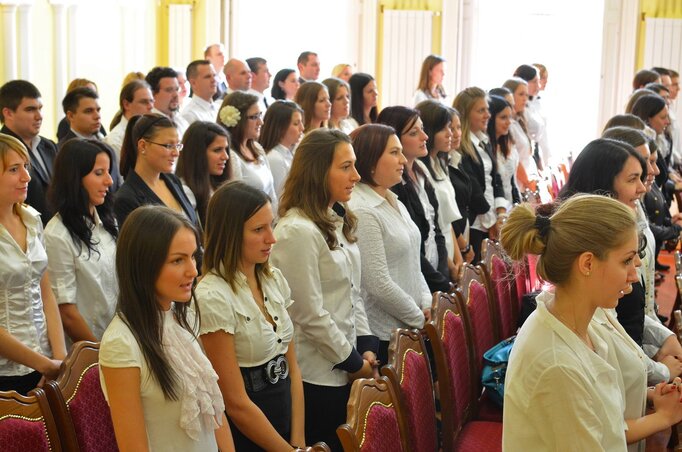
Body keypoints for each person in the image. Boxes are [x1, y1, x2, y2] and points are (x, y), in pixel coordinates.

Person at [501, 194, 682, 450]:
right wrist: (663, 418)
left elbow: (598, 406)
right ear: (587, 263)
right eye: (627, 260)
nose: (636, 270)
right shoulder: (557, 365)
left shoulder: (588, 315)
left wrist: (650, 394)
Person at [271, 129, 377, 451]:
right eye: (345, 167)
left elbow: (352, 291)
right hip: (317, 374)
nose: (356, 176)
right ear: (318, 171)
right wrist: (352, 361)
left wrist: (366, 343)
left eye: (354, 165)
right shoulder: (296, 231)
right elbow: (308, 313)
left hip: (347, 359)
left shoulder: (335, 217)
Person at [99, 206, 231, 452]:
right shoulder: (121, 343)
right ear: (143, 265)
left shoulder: (182, 317)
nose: (193, 271)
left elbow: (214, 418)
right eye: (178, 260)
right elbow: (133, 447)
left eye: (193, 256)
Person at [560, 138, 682, 385]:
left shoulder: (615, 229)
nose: (643, 188)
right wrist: (660, 370)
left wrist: (662, 338)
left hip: (631, 363)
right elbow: (608, 337)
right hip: (620, 374)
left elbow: (628, 315)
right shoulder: (589, 243)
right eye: (632, 179)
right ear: (604, 184)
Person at [197, 181, 305, 450]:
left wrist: (299, 440)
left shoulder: (272, 278)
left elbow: (293, 368)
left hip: (286, 422)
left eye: (272, 224)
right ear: (230, 234)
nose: (272, 238)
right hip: (249, 434)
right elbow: (235, 402)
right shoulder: (213, 295)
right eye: (259, 229)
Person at [348, 124, 431, 363]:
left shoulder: (393, 199)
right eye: (394, 153)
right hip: (386, 333)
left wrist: (426, 302)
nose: (403, 160)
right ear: (371, 160)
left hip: (411, 324)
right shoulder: (363, 209)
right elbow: (377, 283)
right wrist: (419, 317)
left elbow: (414, 262)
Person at [0, 133, 65, 394]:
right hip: (7, 370)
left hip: (47, 361)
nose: (26, 177)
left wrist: (60, 358)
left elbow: (45, 291)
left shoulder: (31, 219)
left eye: (26, 167)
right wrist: (44, 364)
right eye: (14, 169)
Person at [45, 139, 117, 344]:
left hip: (117, 339)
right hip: (88, 349)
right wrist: (99, 352)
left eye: (108, 171)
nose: (109, 181)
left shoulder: (108, 223)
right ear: (75, 178)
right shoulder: (57, 235)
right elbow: (66, 312)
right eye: (99, 173)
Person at [377, 106, 451, 293]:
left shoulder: (421, 170)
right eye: (414, 133)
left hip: (436, 273)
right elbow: (411, 247)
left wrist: (443, 274)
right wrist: (439, 283)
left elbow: (436, 228)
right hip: (417, 281)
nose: (425, 137)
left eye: (423, 129)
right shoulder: (392, 186)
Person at [115, 114, 199, 230]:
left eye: (177, 146)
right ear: (143, 146)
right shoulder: (127, 198)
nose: (176, 153)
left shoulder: (173, 181)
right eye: (169, 146)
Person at [452, 87, 506, 262]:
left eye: (487, 109)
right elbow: (474, 189)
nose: (487, 115)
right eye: (481, 110)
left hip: (490, 218)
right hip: (476, 222)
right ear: (466, 114)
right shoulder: (462, 146)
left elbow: (495, 178)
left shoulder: (484, 140)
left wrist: (500, 214)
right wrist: (492, 222)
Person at [416, 100, 464, 276]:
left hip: (449, 249)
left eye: (450, 128)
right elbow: (434, 220)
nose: (450, 134)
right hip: (438, 254)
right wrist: (449, 264)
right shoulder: (421, 168)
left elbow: (448, 220)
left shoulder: (439, 163)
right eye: (444, 129)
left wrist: (459, 258)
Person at [0, 80, 58, 224]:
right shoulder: (3, 150)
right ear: (8, 113)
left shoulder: (49, 146)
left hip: (55, 235)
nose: (39, 116)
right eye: (30, 109)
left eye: (40, 108)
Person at [217, 92, 278, 212]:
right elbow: (237, 202)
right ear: (237, 121)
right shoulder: (231, 156)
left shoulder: (257, 148)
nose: (261, 122)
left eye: (260, 115)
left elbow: (272, 194)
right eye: (254, 117)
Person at [175, 121, 231, 226]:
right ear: (197, 153)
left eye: (226, 149)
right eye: (217, 150)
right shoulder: (185, 191)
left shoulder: (216, 183)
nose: (226, 156)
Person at [447, 107, 476, 265]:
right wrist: (463, 246)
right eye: (451, 128)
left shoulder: (457, 159)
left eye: (459, 127)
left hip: (464, 232)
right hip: (453, 242)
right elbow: (447, 214)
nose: (457, 133)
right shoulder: (442, 165)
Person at [260, 100, 304, 198]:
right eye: (296, 124)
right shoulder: (275, 158)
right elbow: (281, 198)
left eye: (301, 122)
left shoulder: (289, 152)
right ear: (280, 127)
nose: (302, 128)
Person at [486, 95, 520, 210]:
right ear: (490, 118)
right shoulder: (485, 148)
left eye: (510, 117)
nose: (508, 122)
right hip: (493, 212)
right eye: (503, 117)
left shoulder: (505, 145)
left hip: (509, 208)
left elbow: (512, 181)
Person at [105, 80, 154, 159]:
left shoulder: (153, 132)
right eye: (144, 102)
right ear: (126, 104)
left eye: (151, 101)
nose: (150, 106)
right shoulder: (115, 140)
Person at [146, 67, 188, 137]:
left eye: (177, 89)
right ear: (152, 94)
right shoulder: (149, 125)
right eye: (169, 90)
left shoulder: (181, 120)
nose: (175, 95)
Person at [179, 60, 218, 127]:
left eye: (214, 75)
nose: (214, 80)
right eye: (208, 76)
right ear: (193, 83)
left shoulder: (219, 108)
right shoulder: (189, 115)